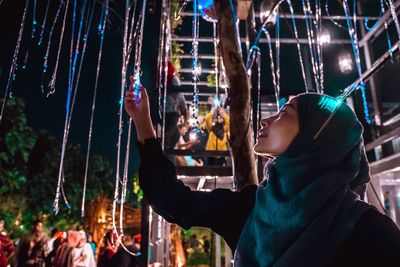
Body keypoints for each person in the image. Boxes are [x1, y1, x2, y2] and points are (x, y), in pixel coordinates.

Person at [125, 80, 400, 266]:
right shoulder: (250, 208)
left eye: (285, 113)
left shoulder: (369, 231)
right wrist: (142, 123)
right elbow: (174, 201)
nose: (266, 120)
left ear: (316, 136)